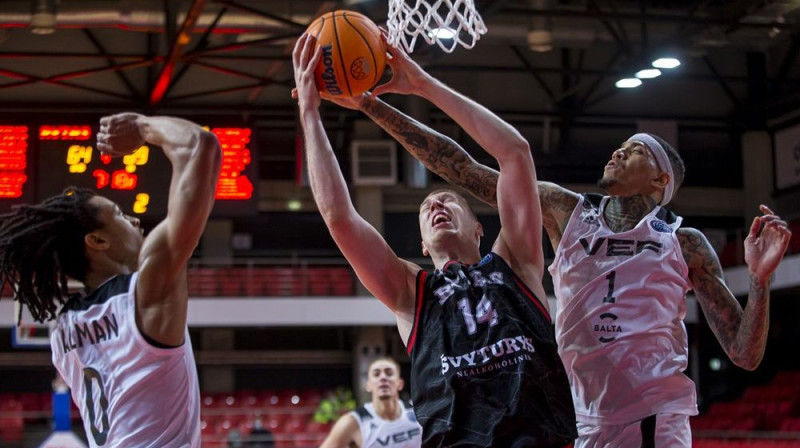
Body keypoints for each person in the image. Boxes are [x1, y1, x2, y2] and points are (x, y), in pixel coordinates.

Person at [343, 36, 793, 448]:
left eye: (634, 150)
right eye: (619, 145)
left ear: (660, 179)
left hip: (653, 416)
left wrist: (758, 280)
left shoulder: (684, 243)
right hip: (581, 421)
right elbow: (463, 169)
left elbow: (743, 354)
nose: (617, 152)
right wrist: (374, 105)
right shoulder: (566, 210)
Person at [293, 32, 577, 448]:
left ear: (481, 228)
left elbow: (515, 152)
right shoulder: (412, 291)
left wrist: (423, 84)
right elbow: (339, 218)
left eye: (448, 199)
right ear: (423, 246)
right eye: (426, 207)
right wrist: (309, 114)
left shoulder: (516, 261)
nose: (436, 206)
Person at [0, 114, 221, 447]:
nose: (132, 219)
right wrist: (142, 127)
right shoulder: (145, 294)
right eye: (119, 215)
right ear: (98, 242)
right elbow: (201, 146)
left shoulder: (63, 332)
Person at [320, 358, 422, 448]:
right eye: (376, 374)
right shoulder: (352, 422)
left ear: (400, 384)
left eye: (389, 373)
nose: (383, 378)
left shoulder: (418, 411)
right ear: (368, 385)